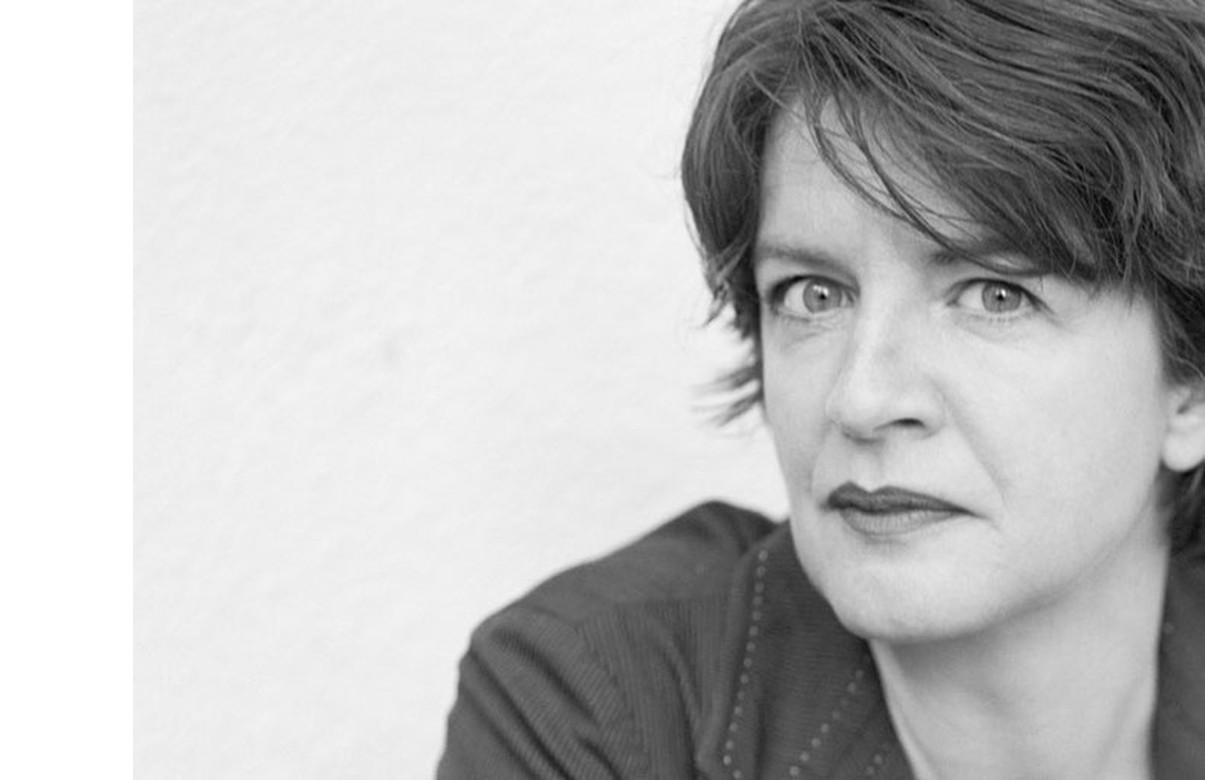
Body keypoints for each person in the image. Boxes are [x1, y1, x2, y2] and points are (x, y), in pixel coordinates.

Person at [438, 0, 1205, 777]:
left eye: (993, 295)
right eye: (813, 295)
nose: (860, 400)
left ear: (1191, 385)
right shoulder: (598, 703)